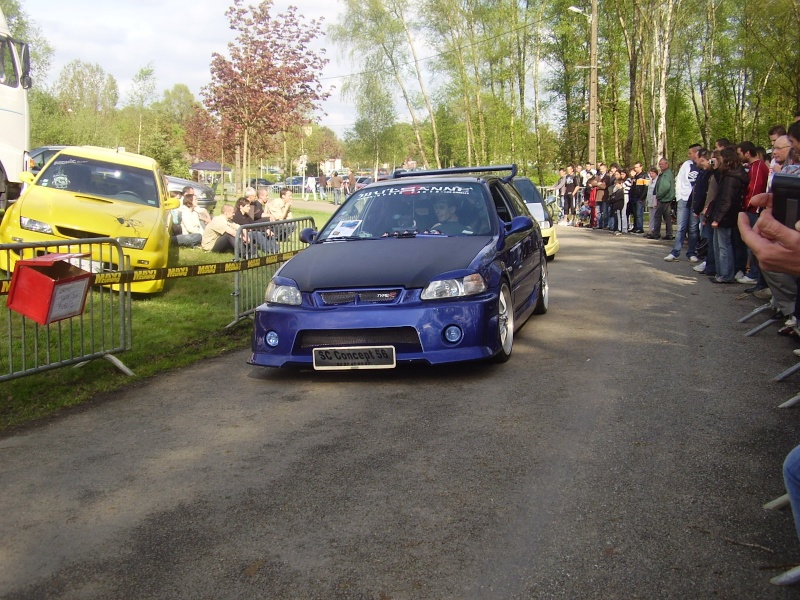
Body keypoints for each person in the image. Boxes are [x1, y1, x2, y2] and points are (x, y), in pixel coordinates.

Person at [707, 147, 748, 283]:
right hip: (724, 215)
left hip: (726, 216)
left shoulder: (731, 178)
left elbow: (726, 200)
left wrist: (717, 218)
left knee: (723, 246)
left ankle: (725, 274)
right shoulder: (729, 176)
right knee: (720, 245)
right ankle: (722, 273)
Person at [735, 141, 770, 284]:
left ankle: (754, 274)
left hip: (753, 210)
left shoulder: (758, 167)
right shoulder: (754, 167)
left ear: (747, 153)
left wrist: (749, 206)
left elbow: (755, 188)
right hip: (751, 209)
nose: (739, 156)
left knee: (752, 243)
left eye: (739, 153)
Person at [664, 144, 701, 262]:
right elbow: (679, 180)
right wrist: (679, 197)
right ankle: (675, 251)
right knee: (681, 227)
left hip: (696, 201)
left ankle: (691, 252)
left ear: (696, 153)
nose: (688, 155)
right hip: (684, 199)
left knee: (693, 227)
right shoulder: (686, 165)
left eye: (690, 153)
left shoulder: (702, 165)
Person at [648, 158, 675, 240]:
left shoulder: (666, 175)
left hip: (664, 199)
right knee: (667, 218)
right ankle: (669, 234)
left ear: (667, 164)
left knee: (658, 216)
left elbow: (665, 187)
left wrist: (658, 195)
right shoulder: (665, 173)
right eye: (659, 164)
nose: (660, 165)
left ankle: (656, 233)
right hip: (665, 198)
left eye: (662, 164)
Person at [629, 162, 649, 234]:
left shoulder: (644, 175)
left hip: (640, 197)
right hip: (633, 196)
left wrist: (642, 197)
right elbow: (632, 186)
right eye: (635, 167)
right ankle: (635, 227)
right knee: (634, 213)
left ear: (641, 167)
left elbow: (646, 188)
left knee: (639, 213)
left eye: (637, 167)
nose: (636, 169)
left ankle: (640, 228)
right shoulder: (635, 176)